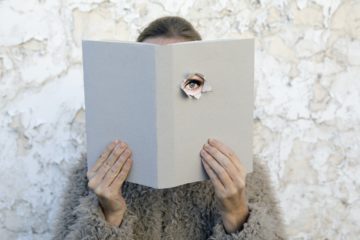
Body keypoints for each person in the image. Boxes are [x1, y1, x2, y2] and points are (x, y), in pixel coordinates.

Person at [52, 16, 286, 240]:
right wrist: (109, 214)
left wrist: (236, 213)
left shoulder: (243, 171)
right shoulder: (94, 170)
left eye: (190, 84)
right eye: (148, 80)